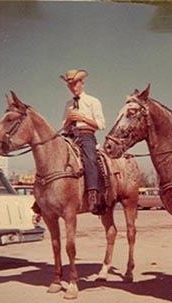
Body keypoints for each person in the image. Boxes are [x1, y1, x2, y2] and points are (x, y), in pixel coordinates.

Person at [60, 69, 106, 213]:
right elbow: (64, 127)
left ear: (82, 83)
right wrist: (69, 120)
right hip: (70, 136)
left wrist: (82, 119)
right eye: (70, 85)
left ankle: (93, 193)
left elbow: (101, 124)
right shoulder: (68, 104)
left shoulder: (93, 101)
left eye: (75, 84)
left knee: (90, 159)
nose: (73, 88)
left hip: (87, 135)